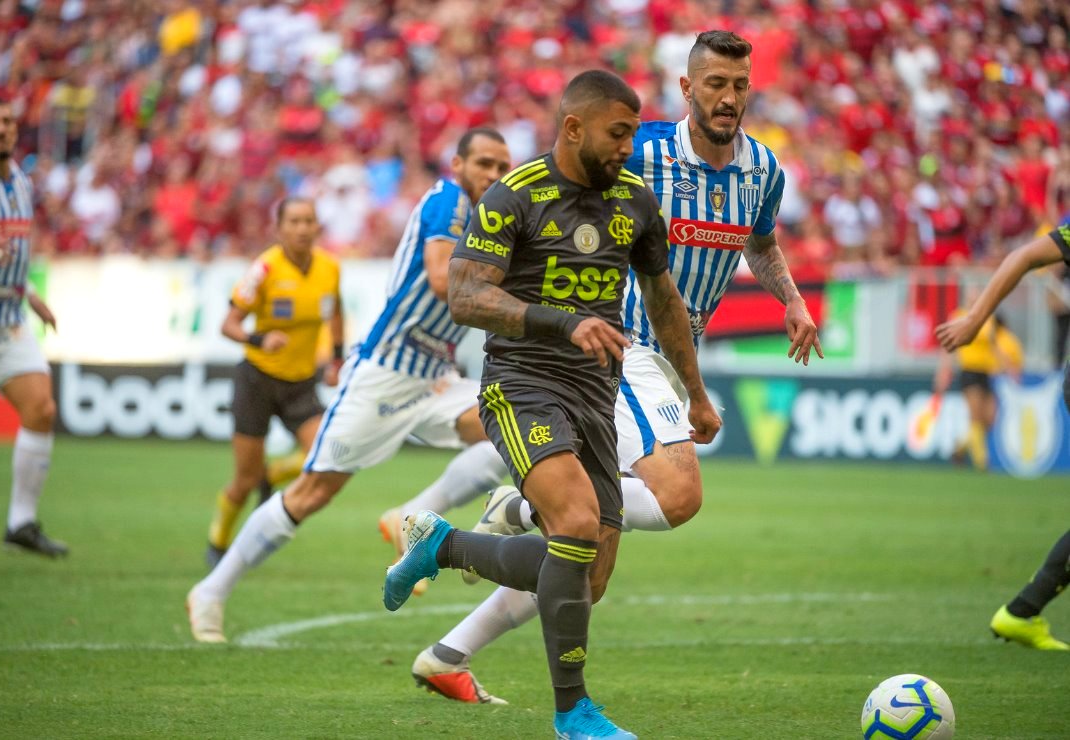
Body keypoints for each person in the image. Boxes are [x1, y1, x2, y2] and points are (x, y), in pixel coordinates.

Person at [410, 30, 822, 704]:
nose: (728, 98)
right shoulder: (640, 151)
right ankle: (518, 507)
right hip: (620, 345)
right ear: (687, 89)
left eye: (739, 85)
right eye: (715, 84)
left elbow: (763, 244)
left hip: (674, 346)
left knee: (588, 576)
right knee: (678, 496)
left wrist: (793, 300)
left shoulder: (764, 172)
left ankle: (446, 652)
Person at [382, 70, 722, 739]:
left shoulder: (634, 201)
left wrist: (697, 394)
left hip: (597, 391)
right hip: (522, 384)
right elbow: (467, 295)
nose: (628, 146)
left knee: (584, 579)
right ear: (574, 128)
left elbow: (662, 299)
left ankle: (445, 544)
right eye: (617, 132)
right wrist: (560, 322)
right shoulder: (516, 195)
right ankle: (573, 715)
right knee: (572, 525)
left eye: (632, 131)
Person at [186, 128, 513, 643]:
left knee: (511, 425)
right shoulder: (448, 201)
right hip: (384, 371)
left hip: (435, 375)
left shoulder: (493, 221)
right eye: (484, 164)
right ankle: (212, 590)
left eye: (502, 167)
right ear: (458, 165)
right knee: (313, 493)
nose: (494, 176)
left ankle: (413, 513)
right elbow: (438, 279)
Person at [936, 217, 1070, 650]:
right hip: (976, 370)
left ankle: (1022, 612)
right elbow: (1026, 255)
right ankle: (1021, 612)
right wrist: (976, 318)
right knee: (979, 420)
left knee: (984, 420)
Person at [202, 197, 343, 567]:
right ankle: (218, 541)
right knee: (243, 480)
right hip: (257, 382)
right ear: (279, 228)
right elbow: (228, 325)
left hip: (300, 383)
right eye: (294, 221)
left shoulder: (330, 268)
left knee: (326, 454)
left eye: (308, 221)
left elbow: (337, 312)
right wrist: (259, 339)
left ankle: (274, 473)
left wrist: (339, 355)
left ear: (317, 227)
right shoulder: (263, 269)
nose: (302, 228)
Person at [0, 97, 65, 557]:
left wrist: (30, 294)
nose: (1, 129)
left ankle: (20, 522)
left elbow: (15, 248)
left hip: (7, 322)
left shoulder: (20, 181)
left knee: (41, 408)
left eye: (7, 121)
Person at [933, 306, 1022, 471]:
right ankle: (982, 462)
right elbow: (948, 345)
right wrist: (945, 370)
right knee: (975, 417)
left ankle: (959, 447)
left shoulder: (987, 317)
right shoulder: (959, 316)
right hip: (970, 371)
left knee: (989, 419)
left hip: (986, 373)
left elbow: (994, 345)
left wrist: (1008, 365)